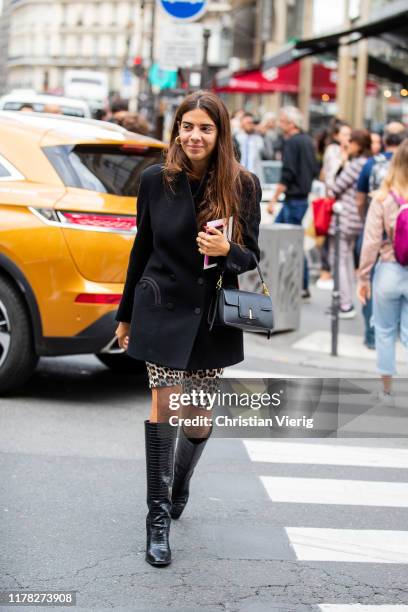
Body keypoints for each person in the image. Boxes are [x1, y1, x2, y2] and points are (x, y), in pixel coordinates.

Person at [114, 91, 262, 567]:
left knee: (197, 419)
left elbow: (252, 257)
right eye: (186, 126)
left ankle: (180, 483)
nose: (194, 136)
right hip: (161, 305)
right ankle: (157, 520)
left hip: (211, 316)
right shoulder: (158, 180)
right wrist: (125, 314)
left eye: (205, 128)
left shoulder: (243, 185)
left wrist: (226, 252)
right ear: (176, 129)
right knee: (164, 407)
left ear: (220, 135)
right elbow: (141, 248)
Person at [358, 137, 408, 405]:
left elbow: (371, 242)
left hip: (389, 270)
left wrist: (363, 276)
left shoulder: (383, 198)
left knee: (385, 332)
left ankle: (387, 391)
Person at [355, 122, 406, 348]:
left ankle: (373, 335)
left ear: (385, 140)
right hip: (401, 240)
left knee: (371, 282)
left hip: (377, 230)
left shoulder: (371, 164)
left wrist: (366, 217)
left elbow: (359, 197)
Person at [267, 106, 318, 299]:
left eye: (282, 121)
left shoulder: (292, 142)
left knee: (286, 243)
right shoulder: (308, 141)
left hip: (293, 200)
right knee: (293, 242)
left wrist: (273, 199)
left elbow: (287, 173)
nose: (280, 125)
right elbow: (314, 169)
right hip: (302, 199)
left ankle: (296, 284)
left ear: (291, 123)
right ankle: (297, 284)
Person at [328, 129, 371, 318]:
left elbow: (335, 188)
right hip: (358, 220)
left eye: (351, 142)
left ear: (359, 145)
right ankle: (347, 301)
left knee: (339, 261)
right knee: (347, 260)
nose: (348, 144)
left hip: (345, 218)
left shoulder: (355, 165)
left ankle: (344, 304)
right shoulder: (369, 163)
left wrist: (341, 163)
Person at [317, 121, 351, 289]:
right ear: (337, 136)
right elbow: (331, 178)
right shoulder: (333, 150)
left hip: (345, 203)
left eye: (349, 135)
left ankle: (333, 272)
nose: (348, 138)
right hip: (333, 201)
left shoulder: (350, 152)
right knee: (330, 237)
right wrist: (344, 161)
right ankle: (327, 270)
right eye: (345, 134)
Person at [234, 112, 266, 177]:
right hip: (238, 175)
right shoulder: (236, 138)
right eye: (248, 122)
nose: (250, 125)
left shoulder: (259, 138)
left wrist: (263, 133)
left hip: (254, 174)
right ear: (242, 123)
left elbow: (268, 154)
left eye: (252, 122)